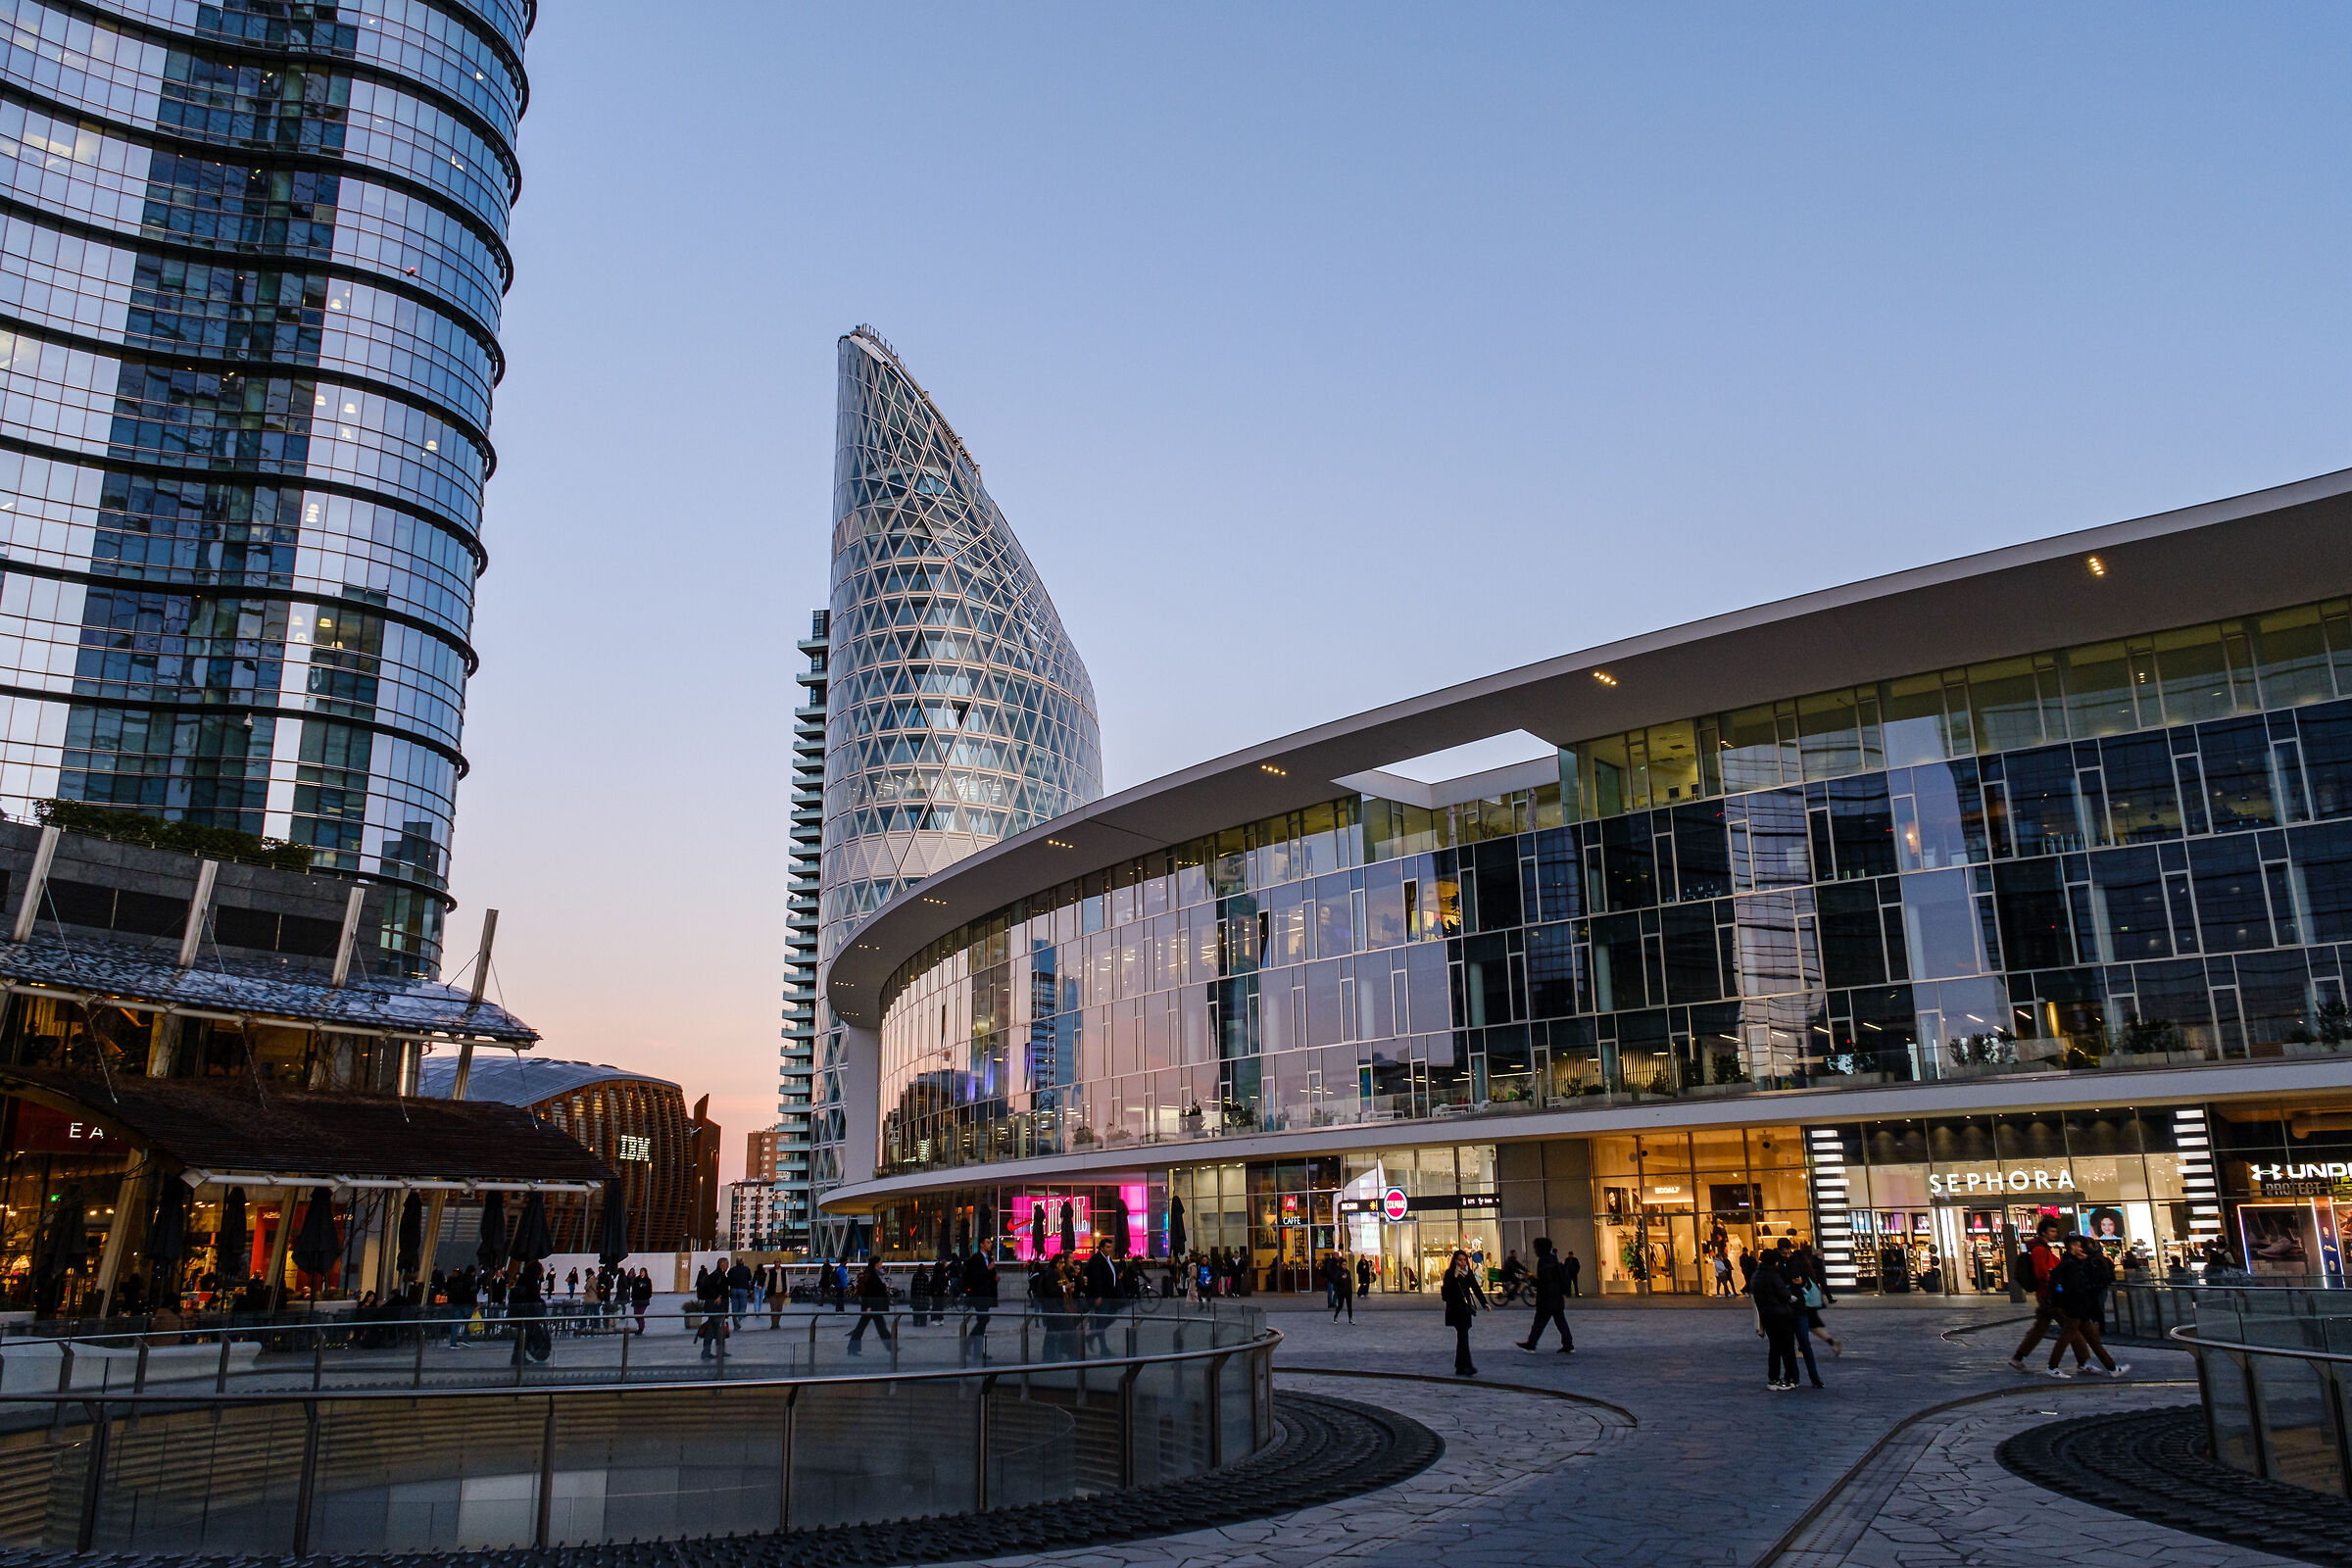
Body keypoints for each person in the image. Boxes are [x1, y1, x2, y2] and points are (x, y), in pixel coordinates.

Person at [2047, 1235, 2129, 1379]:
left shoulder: (2073, 1262)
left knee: (2092, 1339)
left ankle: (2112, 1367)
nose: (2081, 1248)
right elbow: (2075, 1287)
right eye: (2079, 1246)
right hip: (2075, 1308)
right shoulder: (2070, 1264)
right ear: (2072, 1246)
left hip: (2079, 1308)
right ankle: (2052, 1367)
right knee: (2066, 1338)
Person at [2007, 1217, 2068, 1372]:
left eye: (2055, 1231)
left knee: (2040, 1329)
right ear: (2043, 1232)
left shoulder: (2043, 1248)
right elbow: (2042, 1273)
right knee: (2071, 1327)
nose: (2055, 1233)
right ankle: (2082, 1362)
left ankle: (2018, 1357)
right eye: (2052, 1231)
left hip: (2046, 1294)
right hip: (2049, 1295)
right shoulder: (2040, 1250)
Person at [1751, 1246, 1804, 1390]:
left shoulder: (1757, 1275)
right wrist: (1789, 1297)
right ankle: (1790, 1377)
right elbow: (1782, 1293)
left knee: (1774, 1347)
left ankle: (1773, 1378)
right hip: (1780, 1315)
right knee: (1787, 1348)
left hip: (1767, 1315)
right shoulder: (1773, 1275)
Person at [1517, 1236, 1574, 1353]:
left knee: (1539, 1322)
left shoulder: (1543, 1261)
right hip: (1557, 1297)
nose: (1534, 1250)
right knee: (1560, 1322)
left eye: (1535, 1248)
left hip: (1546, 1298)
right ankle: (1568, 1344)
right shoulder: (1554, 1259)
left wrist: (1531, 1278)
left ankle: (1531, 1344)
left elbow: (1543, 1281)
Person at [1442, 1249, 1488, 1376]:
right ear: (1455, 1261)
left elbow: (1475, 1288)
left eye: (1464, 1260)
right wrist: (1454, 1277)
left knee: (1462, 1336)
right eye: (1460, 1260)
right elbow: (1445, 1294)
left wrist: (1484, 1303)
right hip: (1455, 1308)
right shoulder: (1450, 1273)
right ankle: (1468, 1365)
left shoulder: (1468, 1273)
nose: (1462, 1262)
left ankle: (1460, 1366)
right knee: (1463, 1336)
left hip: (1466, 1308)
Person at [1794, 1241, 1840, 1358]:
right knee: (1814, 1327)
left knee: (1800, 1326)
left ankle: (1801, 1349)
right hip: (1813, 1300)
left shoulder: (1797, 1270)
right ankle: (1832, 1342)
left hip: (1805, 1302)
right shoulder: (1808, 1267)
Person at [847, 1260, 895, 1354]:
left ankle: (852, 1349)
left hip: (871, 1306)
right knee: (877, 1328)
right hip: (871, 1307)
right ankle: (891, 1347)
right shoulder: (871, 1278)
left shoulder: (869, 1276)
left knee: (863, 1328)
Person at [963, 1248, 999, 1338]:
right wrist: (988, 1269)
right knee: (984, 1318)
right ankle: (970, 1342)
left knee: (983, 1319)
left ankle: (975, 1345)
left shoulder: (986, 1261)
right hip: (979, 1295)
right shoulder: (977, 1260)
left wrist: (994, 1279)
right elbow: (977, 1276)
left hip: (984, 1294)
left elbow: (987, 1278)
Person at [726, 1255, 754, 1329]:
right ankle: (738, 1318)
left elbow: (728, 1278)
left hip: (734, 1289)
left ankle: (735, 1323)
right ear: (742, 1261)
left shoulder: (732, 1270)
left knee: (734, 1307)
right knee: (743, 1306)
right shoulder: (746, 1269)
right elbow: (749, 1278)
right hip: (743, 1289)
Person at [1332, 1252, 1355, 1323]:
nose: (1345, 1266)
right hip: (1341, 1291)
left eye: (1346, 1264)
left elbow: (1349, 1281)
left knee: (1349, 1305)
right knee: (1340, 1305)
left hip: (1348, 1291)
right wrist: (1341, 1278)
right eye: (1343, 1265)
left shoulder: (1347, 1272)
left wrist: (1350, 1289)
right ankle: (1336, 1316)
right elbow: (1336, 1281)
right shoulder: (1338, 1272)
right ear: (1341, 1265)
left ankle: (1350, 1318)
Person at [765, 1262, 789, 1329]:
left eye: (778, 1262)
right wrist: (768, 1290)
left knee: (779, 1309)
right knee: (773, 1309)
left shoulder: (784, 1271)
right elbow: (767, 1281)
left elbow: (787, 1281)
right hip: (773, 1293)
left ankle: (777, 1323)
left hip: (781, 1293)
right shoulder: (771, 1271)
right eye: (776, 1262)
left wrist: (787, 1291)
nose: (777, 1263)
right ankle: (773, 1323)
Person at [630, 1267, 652, 1333]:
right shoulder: (636, 1279)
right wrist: (633, 1297)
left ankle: (641, 1327)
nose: (641, 1273)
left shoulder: (647, 1280)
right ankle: (641, 1324)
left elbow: (649, 1290)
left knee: (640, 1314)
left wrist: (647, 1297)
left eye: (643, 1271)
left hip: (643, 1300)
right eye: (641, 1271)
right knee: (636, 1314)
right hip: (636, 1300)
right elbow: (633, 1289)